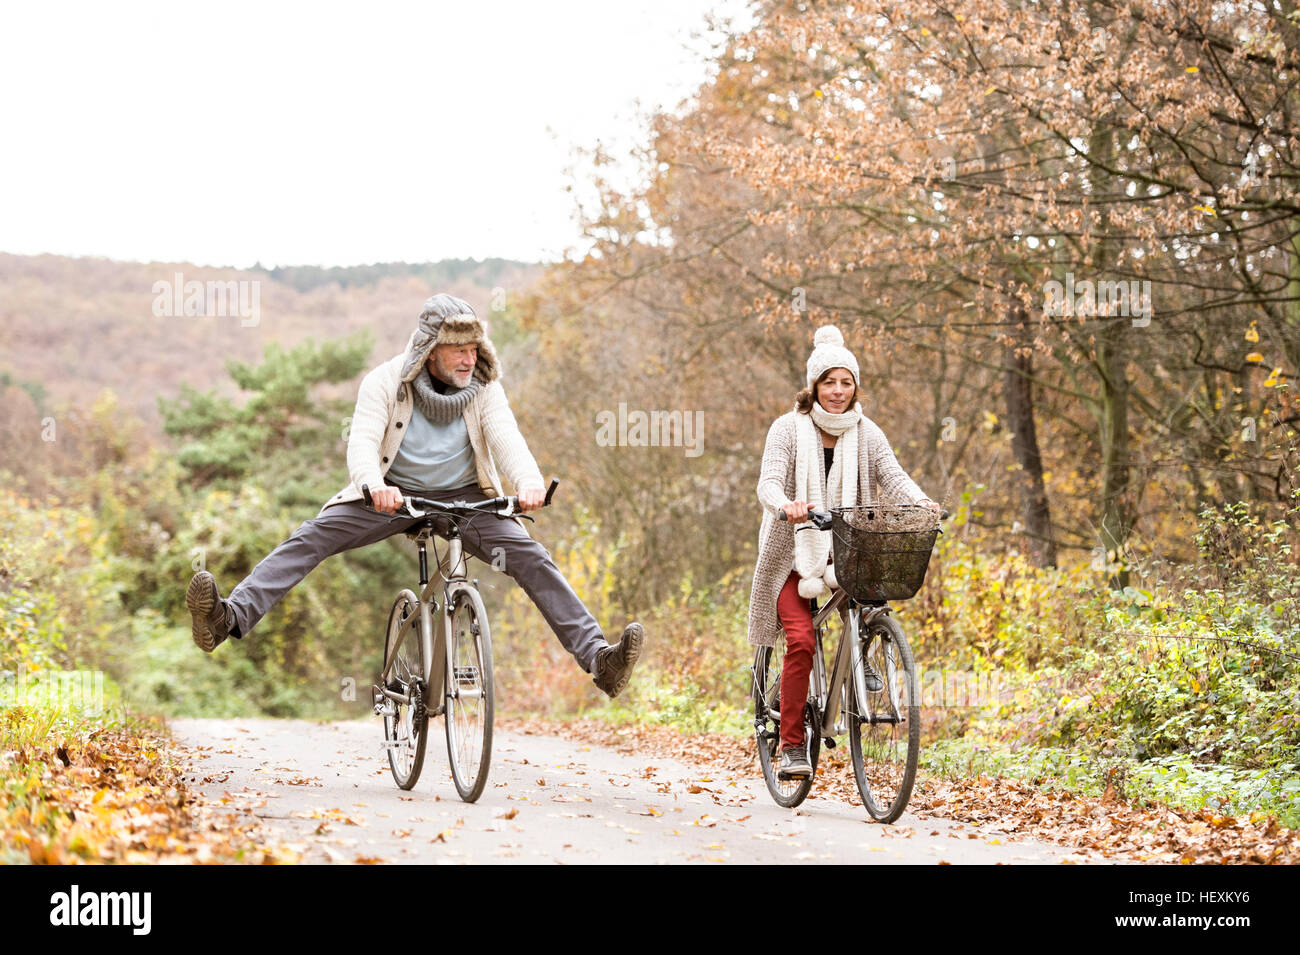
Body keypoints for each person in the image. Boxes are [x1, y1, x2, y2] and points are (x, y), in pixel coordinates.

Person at [185, 293, 645, 698]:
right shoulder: (384, 382)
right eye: (458, 351)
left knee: (530, 556)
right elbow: (362, 444)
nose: (469, 359)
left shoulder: (483, 388)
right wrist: (373, 486)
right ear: (429, 353)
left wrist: (528, 482)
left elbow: (507, 439)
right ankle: (226, 619)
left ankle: (600, 662)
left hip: (468, 499)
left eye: (473, 349)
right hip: (392, 494)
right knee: (312, 537)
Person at [747, 325, 940, 777]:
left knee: (873, 593)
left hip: (847, 548)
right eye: (828, 382)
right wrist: (785, 505)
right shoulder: (787, 430)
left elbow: (893, 476)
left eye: (845, 382)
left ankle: (864, 654)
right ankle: (793, 746)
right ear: (813, 387)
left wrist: (922, 503)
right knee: (801, 640)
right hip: (791, 555)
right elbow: (768, 482)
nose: (837, 391)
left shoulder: (866, 433)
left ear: (856, 387)